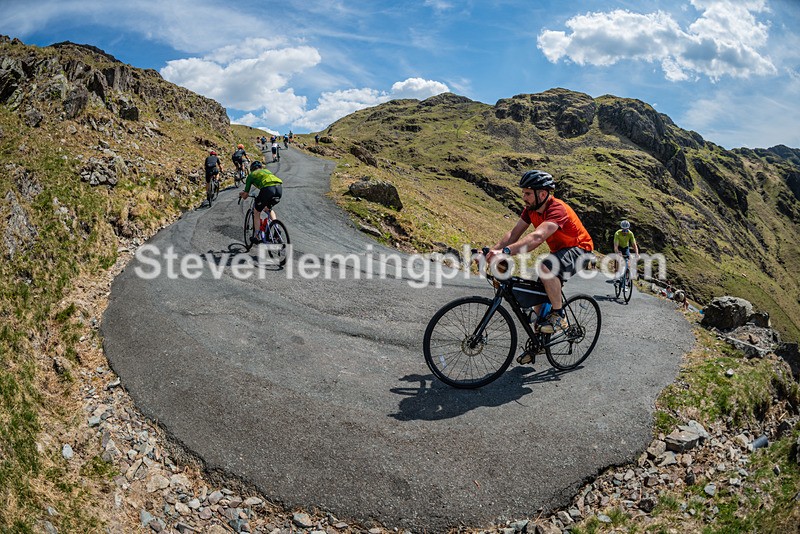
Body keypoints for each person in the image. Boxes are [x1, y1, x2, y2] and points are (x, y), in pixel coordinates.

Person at [486, 170, 594, 338]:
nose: (524, 197)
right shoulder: (530, 209)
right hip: (559, 251)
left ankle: (559, 316)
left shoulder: (558, 209)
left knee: (545, 268)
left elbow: (537, 237)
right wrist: (493, 251)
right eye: (523, 193)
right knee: (539, 294)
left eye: (528, 193)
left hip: (581, 249)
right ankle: (539, 342)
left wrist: (506, 251)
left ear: (542, 194)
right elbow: (513, 234)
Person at [239, 160, 283, 241]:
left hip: (268, 189)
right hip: (279, 188)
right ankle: (277, 228)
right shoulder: (266, 171)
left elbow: (245, 195)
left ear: (252, 169)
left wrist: (241, 194)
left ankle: (256, 236)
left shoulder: (251, 175)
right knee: (268, 208)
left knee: (256, 211)